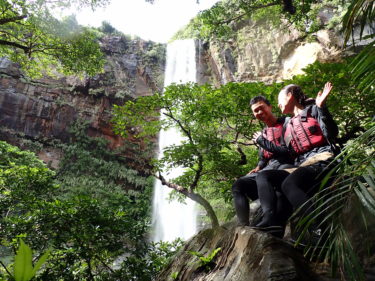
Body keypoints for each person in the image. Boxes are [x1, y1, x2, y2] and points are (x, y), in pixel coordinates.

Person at [253, 82, 339, 230]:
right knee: (264, 176)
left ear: (289, 95)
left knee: (289, 183)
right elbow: (286, 151)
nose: (278, 104)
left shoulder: (313, 109)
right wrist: (263, 144)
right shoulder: (288, 125)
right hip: (303, 165)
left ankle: (318, 228)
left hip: (323, 159)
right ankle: (270, 220)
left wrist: (322, 107)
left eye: (280, 100)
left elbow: (331, 134)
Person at [232, 95, 294, 227]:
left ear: (270, 107)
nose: (259, 112)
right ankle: (244, 226)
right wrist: (259, 166)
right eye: (255, 111)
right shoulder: (264, 132)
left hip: (286, 165)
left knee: (268, 180)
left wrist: (262, 141)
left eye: (262, 108)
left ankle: (269, 218)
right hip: (268, 168)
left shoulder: (287, 123)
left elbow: (288, 150)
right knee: (239, 184)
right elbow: (263, 157)